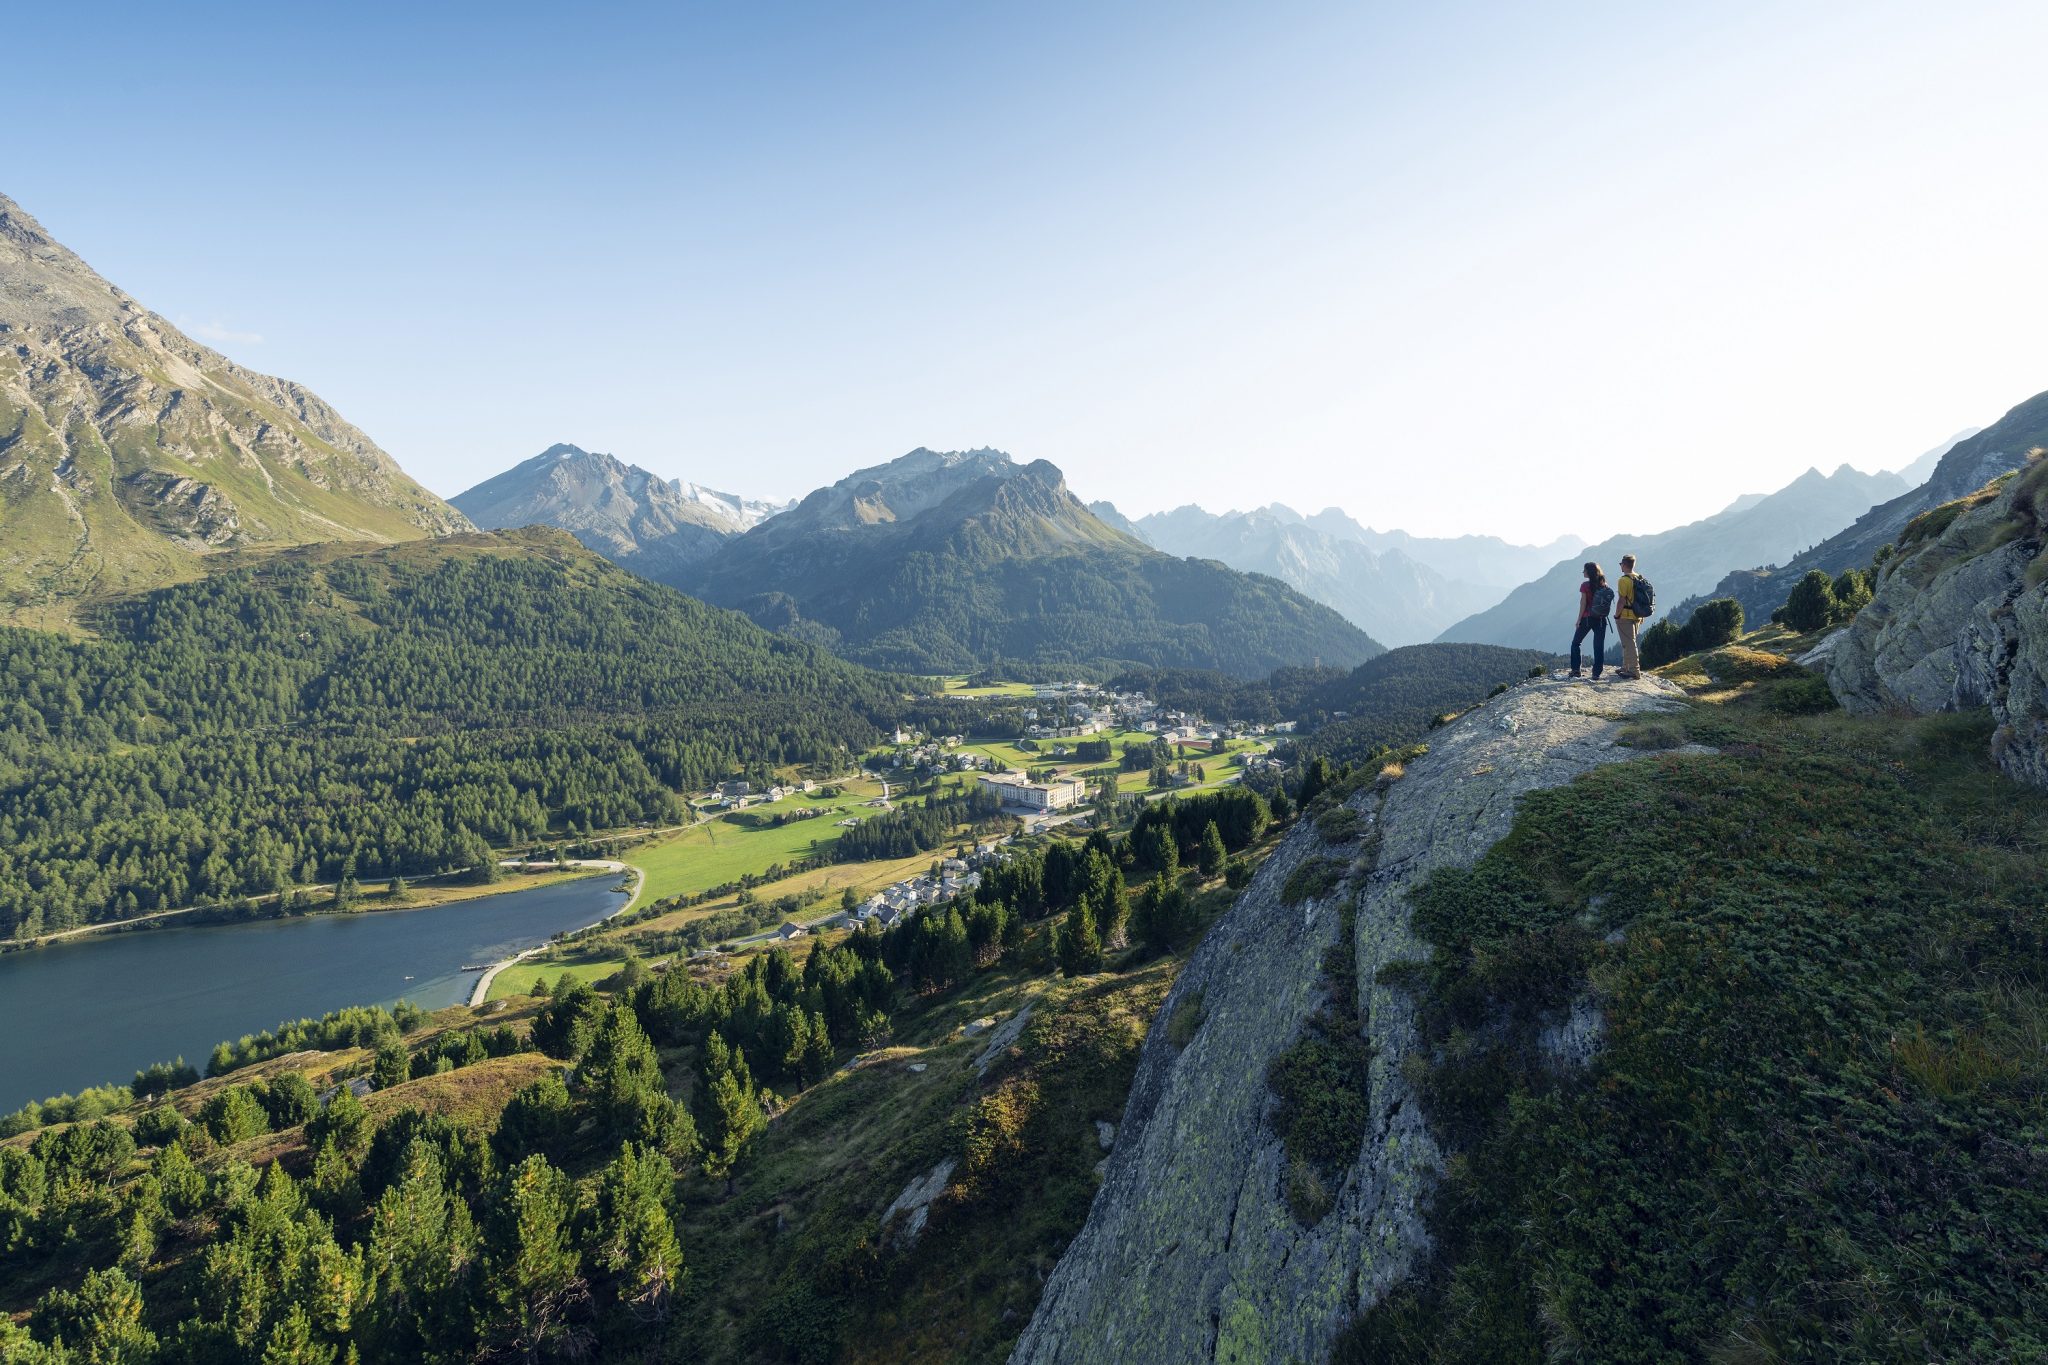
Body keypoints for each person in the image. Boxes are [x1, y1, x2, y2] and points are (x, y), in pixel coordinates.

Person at [1570, 562, 1612, 679]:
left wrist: (1579, 619)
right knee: (1599, 646)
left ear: (1589, 572)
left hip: (1587, 618)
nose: (1583, 572)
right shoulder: (1604, 585)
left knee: (1576, 643)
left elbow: (1583, 603)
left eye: (1584, 570)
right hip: (1601, 619)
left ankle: (1576, 670)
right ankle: (1596, 673)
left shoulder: (1585, 586)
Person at [1613, 553, 1645, 679]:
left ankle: (1634, 670)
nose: (1620, 566)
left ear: (1624, 565)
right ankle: (1625, 667)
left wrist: (1617, 615)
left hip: (1625, 615)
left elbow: (1621, 600)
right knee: (1628, 642)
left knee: (1629, 643)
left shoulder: (1623, 580)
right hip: (1638, 615)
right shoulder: (1639, 578)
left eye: (1621, 564)